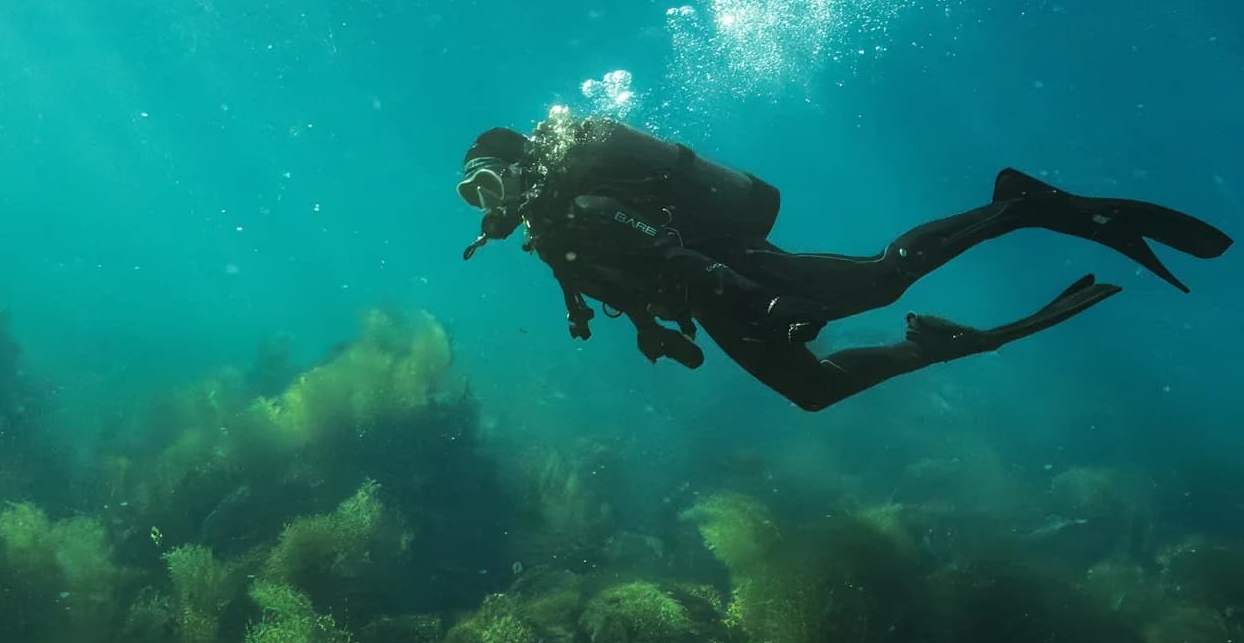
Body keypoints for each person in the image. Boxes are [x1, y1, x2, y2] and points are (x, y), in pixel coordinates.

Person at [456, 114, 1232, 411]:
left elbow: (671, 252)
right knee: (812, 393)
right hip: (717, 298)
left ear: (520, 168)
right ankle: (926, 348)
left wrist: (758, 302)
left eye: (488, 182)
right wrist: (640, 329)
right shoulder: (548, 227)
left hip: (736, 272)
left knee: (880, 277)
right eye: (471, 194)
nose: (484, 202)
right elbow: (593, 274)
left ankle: (1017, 205)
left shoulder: (581, 204)